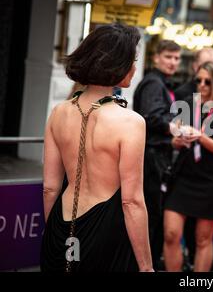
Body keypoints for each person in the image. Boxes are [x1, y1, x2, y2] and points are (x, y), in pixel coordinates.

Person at [41, 24, 153, 272]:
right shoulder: (131, 122)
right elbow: (132, 202)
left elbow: (50, 188)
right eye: (131, 60)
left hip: (60, 224)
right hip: (105, 233)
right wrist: (146, 267)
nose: (135, 67)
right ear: (116, 64)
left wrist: (57, 236)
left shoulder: (58, 113)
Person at [163, 62, 213, 272]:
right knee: (171, 234)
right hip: (184, 175)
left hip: (211, 179)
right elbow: (175, 137)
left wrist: (200, 136)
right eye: (198, 80)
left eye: (207, 82)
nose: (202, 85)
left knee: (203, 239)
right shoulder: (187, 104)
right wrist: (178, 140)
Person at [133, 39, 181, 269]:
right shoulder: (153, 83)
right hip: (151, 157)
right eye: (168, 57)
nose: (173, 62)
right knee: (151, 215)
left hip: (158, 155)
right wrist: (173, 128)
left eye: (177, 58)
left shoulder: (162, 83)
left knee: (155, 215)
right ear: (156, 58)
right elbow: (150, 116)